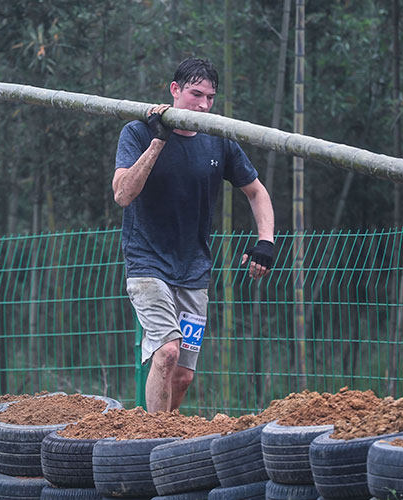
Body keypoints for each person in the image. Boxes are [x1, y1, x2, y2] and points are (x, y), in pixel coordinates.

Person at [113, 57, 275, 412]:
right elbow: (123, 194)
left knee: (183, 375)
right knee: (167, 352)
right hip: (147, 265)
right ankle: (149, 443)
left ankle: (166, 443)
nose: (202, 105)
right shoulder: (138, 131)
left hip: (194, 271)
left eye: (210, 98)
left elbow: (257, 192)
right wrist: (159, 140)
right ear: (175, 91)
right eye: (195, 94)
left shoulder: (219, 141)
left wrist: (266, 241)